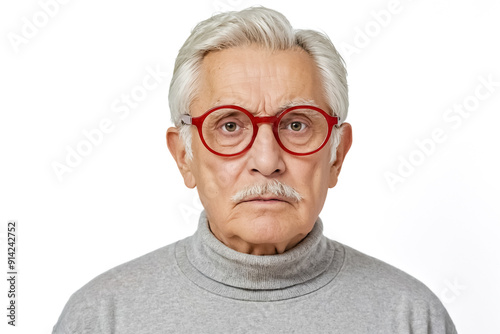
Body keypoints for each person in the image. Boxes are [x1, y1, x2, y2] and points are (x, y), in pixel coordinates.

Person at [53, 7, 457, 333]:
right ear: (184, 157)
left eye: (296, 125)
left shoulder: (411, 318)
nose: (266, 161)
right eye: (230, 126)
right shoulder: (102, 318)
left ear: (337, 155)